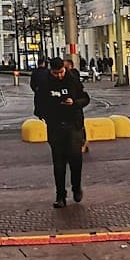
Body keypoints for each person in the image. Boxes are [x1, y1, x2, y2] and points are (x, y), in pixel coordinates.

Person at [34, 56, 89, 207]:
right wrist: (48, 113)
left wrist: (74, 103)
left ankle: (76, 187)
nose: (59, 75)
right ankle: (60, 196)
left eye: (61, 72)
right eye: (55, 73)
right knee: (58, 163)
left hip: (73, 124)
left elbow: (85, 98)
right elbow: (38, 105)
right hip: (55, 125)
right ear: (51, 71)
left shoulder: (72, 79)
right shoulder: (44, 83)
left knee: (75, 159)